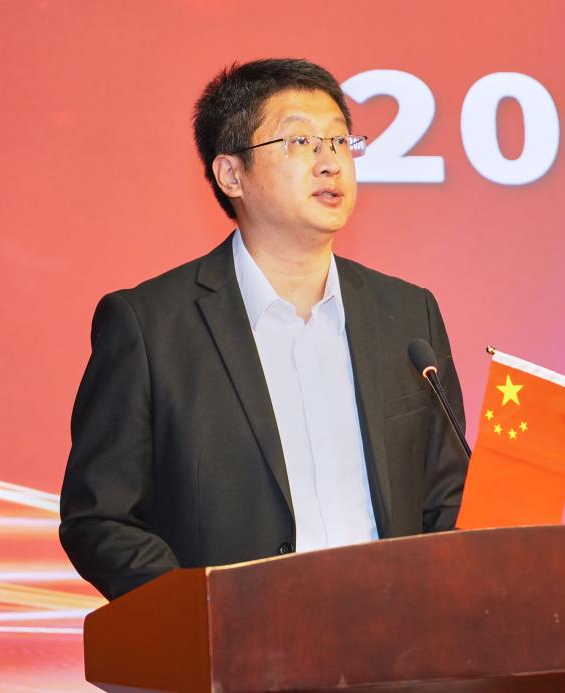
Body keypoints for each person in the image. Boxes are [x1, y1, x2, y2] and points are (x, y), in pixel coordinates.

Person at [59, 58, 468, 600]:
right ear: (231, 174)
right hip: (238, 644)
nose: (331, 163)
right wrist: (203, 617)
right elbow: (101, 518)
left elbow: (449, 499)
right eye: (300, 142)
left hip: (393, 637)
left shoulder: (407, 315)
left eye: (340, 141)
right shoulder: (151, 327)